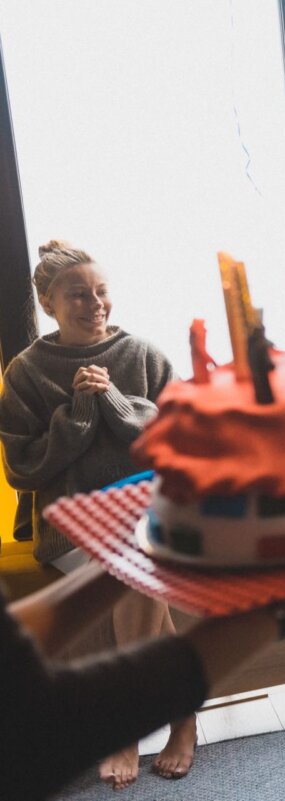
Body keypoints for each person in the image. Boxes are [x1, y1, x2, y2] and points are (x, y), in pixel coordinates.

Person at [0, 240, 192, 788]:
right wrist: (76, 414)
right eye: (78, 295)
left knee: (136, 564)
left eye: (101, 291)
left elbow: (179, 442)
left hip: (147, 515)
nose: (94, 303)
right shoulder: (27, 372)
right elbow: (22, 469)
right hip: (72, 528)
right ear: (47, 302)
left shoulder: (143, 356)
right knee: (134, 571)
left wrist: (113, 402)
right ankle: (161, 722)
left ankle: (137, 725)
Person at [1, 559, 285, 801]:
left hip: (135, 502)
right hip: (66, 516)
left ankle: (142, 725)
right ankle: (168, 721)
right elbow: (28, 465)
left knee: (142, 567)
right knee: (140, 568)